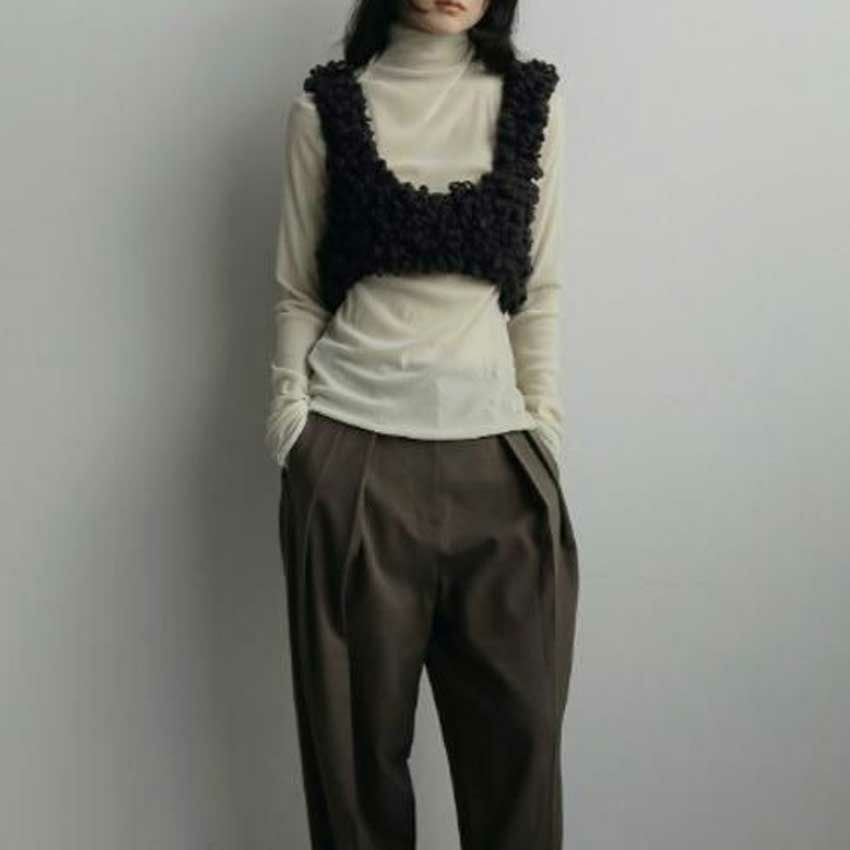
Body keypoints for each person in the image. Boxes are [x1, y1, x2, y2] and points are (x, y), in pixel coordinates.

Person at [266, 2, 580, 848]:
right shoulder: (325, 109)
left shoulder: (532, 104)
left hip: (500, 465)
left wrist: (542, 430)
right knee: (356, 784)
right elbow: (298, 293)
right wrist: (295, 427)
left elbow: (540, 293)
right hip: (352, 460)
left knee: (519, 775)